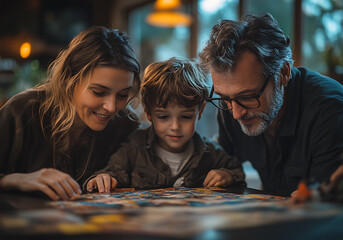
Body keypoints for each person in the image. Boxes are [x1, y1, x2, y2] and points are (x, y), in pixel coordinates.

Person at [199, 13, 343, 197]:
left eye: (248, 96)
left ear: (283, 72)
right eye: (224, 97)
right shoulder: (231, 105)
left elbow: (334, 211)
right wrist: (227, 173)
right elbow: (225, 163)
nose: (235, 114)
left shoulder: (331, 112)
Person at [0, 26, 141, 200]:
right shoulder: (22, 110)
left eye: (122, 95)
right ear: (69, 80)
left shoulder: (126, 123)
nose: (112, 107)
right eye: (98, 92)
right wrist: (14, 179)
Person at [86, 57, 245, 193]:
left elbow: (237, 172)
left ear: (200, 111)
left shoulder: (210, 153)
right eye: (163, 116)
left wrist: (227, 176)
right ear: (149, 113)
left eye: (185, 116)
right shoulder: (134, 148)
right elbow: (112, 172)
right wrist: (104, 178)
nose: (175, 126)